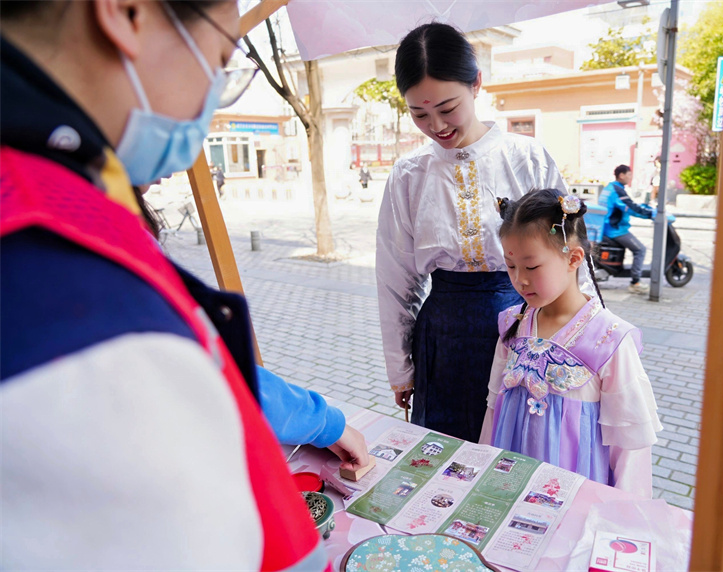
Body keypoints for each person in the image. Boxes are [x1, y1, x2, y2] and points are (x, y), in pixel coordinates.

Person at [0, 1, 367, 568]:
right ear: (125, 12)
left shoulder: (62, 204)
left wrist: (320, 418)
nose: (205, 116)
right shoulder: (62, 274)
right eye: (218, 61)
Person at [376, 22, 568, 442]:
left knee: (517, 450)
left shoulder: (528, 159)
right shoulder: (409, 175)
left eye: (447, 108)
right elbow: (394, 281)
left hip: (526, 330)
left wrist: (576, 339)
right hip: (442, 341)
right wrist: (401, 368)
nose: (437, 126)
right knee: (444, 452)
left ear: (476, 83)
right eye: (419, 114)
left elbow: (568, 257)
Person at [479, 189, 662, 498]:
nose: (520, 279)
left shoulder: (609, 339)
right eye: (510, 266)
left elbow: (630, 445)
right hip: (508, 480)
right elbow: (493, 408)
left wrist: (622, 511)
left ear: (574, 258)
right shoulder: (512, 323)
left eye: (531, 267)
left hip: (572, 489)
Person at [599, 165, 654, 294]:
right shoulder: (617, 190)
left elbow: (627, 204)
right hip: (615, 230)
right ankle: (635, 282)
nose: (630, 178)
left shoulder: (610, 188)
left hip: (606, 227)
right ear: (621, 175)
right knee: (640, 249)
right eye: (629, 175)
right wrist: (651, 214)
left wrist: (644, 207)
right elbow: (631, 208)